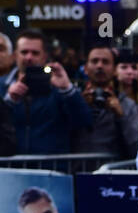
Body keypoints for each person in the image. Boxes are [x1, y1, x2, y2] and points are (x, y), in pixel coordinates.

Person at [2, 27, 92, 156]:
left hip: (51, 170)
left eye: (35, 53)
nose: (29, 57)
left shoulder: (58, 86)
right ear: (15, 55)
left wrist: (67, 89)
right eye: (24, 52)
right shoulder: (3, 86)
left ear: (45, 56)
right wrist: (8, 101)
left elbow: (84, 122)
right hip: (11, 169)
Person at [71, 43, 138, 161]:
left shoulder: (127, 105)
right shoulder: (75, 100)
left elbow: (136, 146)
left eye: (105, 62)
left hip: (112, 175)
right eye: (94, 61)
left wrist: (121, 116)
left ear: (114, 70)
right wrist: (79, 109)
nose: (99, 66)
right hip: (77, 173)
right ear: (86, 69)